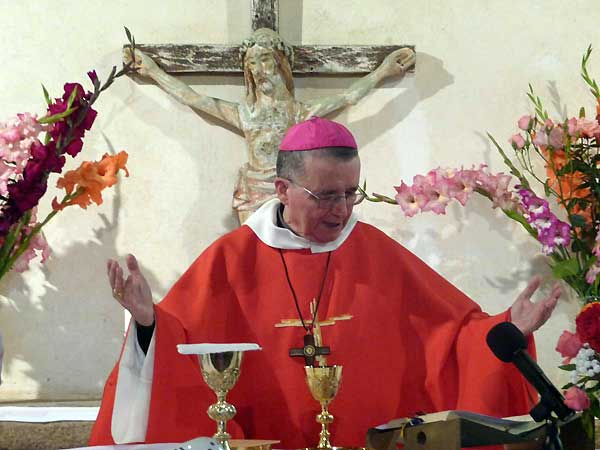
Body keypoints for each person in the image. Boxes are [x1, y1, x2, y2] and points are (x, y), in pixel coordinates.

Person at [90, 117, 560, 449]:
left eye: (351, 193)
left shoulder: (377, 252)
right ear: (282, 189)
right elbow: (180, 350)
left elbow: (452, 338)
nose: (341, 210)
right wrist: (148, 321)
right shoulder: (230, 260)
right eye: (326, 196)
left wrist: (507, 331)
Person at [126, 28, 416, 222]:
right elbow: (192, 98)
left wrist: (383, 71)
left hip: (291, 192)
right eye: (251, 64)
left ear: (280, 63)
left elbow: (348, 97)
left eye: (264, 60)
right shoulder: (245, 113)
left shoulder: (299, 113)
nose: (258, 69)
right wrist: (152, 71)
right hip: (252, 191)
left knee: (288, 256)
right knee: (252, 261)